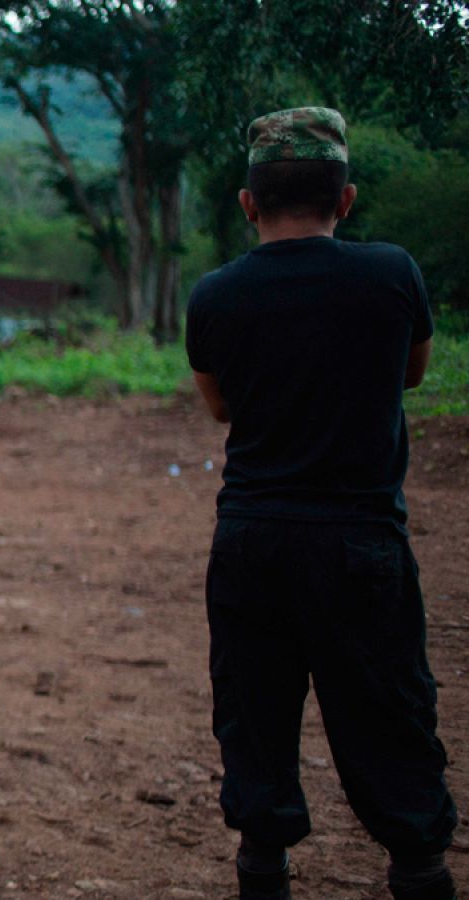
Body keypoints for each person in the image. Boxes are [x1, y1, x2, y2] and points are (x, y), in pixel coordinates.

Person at [187, 108, 454, 900]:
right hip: (361, 543)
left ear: (247, 203)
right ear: (346, 200)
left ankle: (265, 871)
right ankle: (419, 869)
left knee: (257, 727)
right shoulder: (391, 273)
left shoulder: (216, 294)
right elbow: (411, 374)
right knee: (393, 727)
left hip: (253, 541)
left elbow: (221, 408)